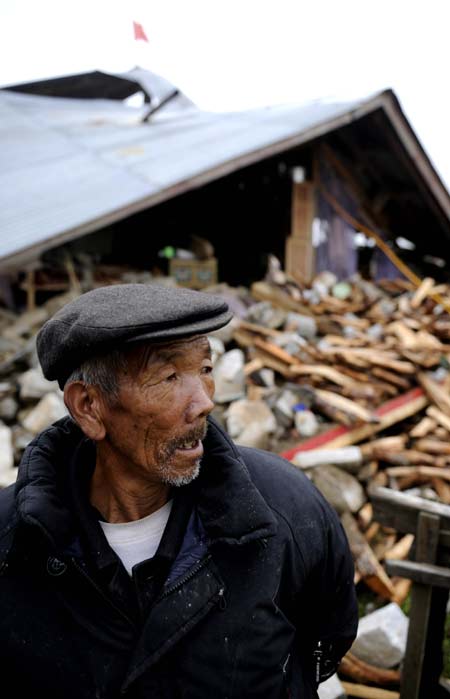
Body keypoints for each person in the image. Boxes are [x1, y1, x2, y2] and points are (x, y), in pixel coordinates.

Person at [0, 283, 358, 698]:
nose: (204, 402)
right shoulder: (13, 543)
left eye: (205, 369)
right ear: (88, 406)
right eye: (169, 377)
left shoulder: (285, 512)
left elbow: (323, 643)